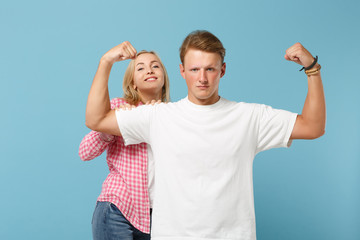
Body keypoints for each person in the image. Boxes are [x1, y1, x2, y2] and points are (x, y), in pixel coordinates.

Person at [85, 30, 326, 240]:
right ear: (181, 71)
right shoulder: (158, 116)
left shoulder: (249, 116)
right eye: (194, 69)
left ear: (222, 70)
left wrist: (312, 69)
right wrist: (105, 62)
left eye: (210, 69)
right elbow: (96, 120)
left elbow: (312, 127)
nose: (202, 78)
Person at [79, 41, 170, 240]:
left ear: (164, 77)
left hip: (158, 216)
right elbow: (85, 152)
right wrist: (116, 127)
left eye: (155, 65)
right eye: (141, 67)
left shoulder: (172, 116)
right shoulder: (118, 109)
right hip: (118, 209)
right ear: (133, 83)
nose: (149, 70)